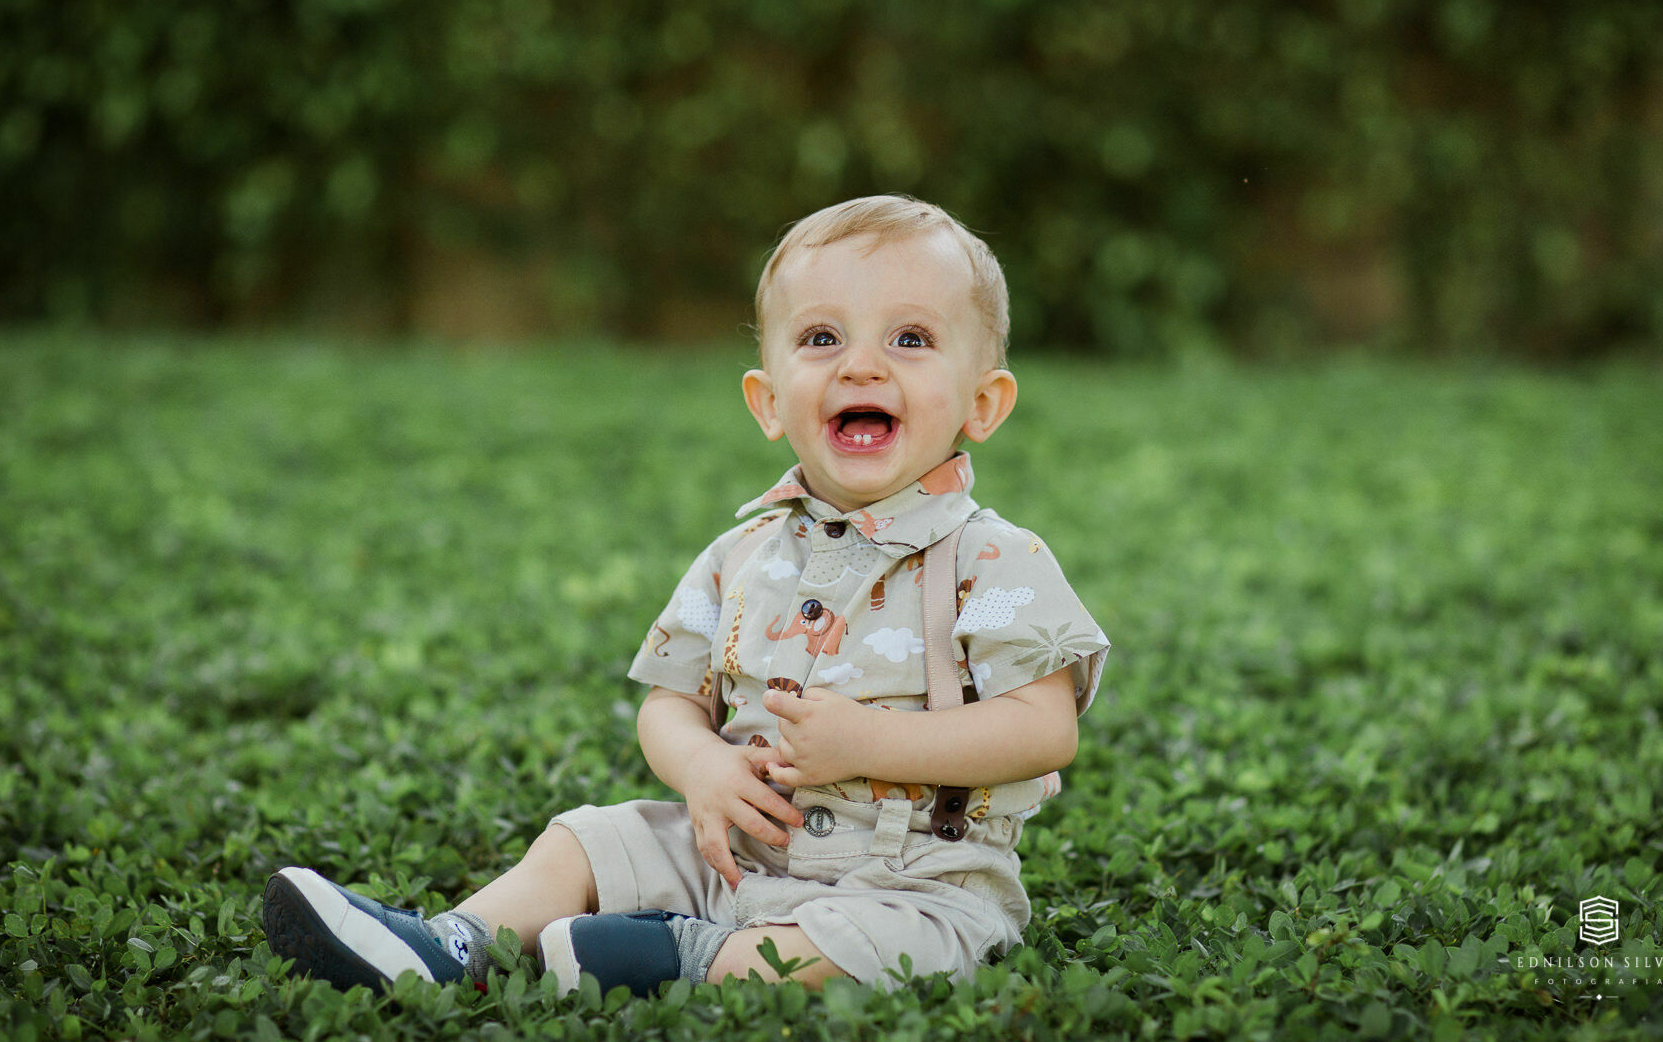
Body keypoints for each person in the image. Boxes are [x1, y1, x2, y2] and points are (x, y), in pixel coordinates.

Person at [261, 195, 1110, 995]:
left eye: (911, 339)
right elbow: (669, 704)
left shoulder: (994, 560)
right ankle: (452, 943)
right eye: (821, 338)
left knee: (873, 952)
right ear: (768, 402)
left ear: (983, 404)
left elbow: (1045, 730)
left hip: (916, 883)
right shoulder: (739, 555)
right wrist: (702, 766)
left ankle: (684, 956)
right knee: (589, 838)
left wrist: (873, 742)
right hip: (737, 854)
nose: (861, 364)